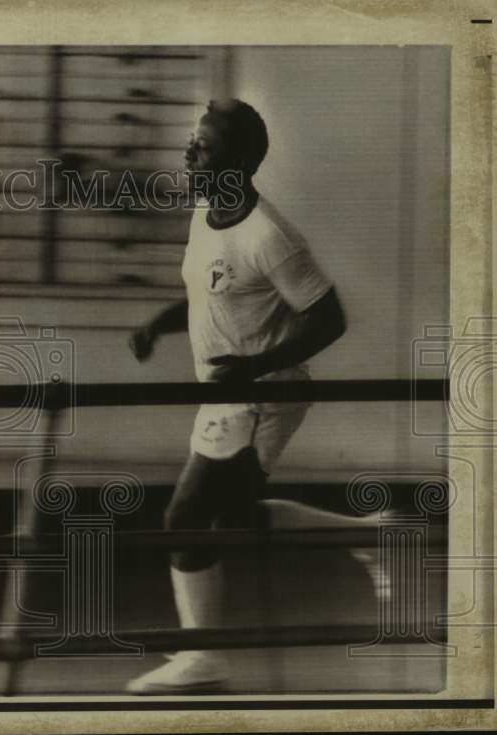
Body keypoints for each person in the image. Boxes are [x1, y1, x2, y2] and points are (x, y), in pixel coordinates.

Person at [125, 99, 384, 693]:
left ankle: (203, 655)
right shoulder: (206, 211)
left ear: (238, 163)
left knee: (184, 518)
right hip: (230, 392)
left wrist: (255, 367)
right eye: (191, 142)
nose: (189, 154)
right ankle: (369, 534)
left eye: (204, 147)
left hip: (263, 396)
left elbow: (329, 320)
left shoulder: (269, 235)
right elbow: (206, 297)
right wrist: (156, 326)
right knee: (235, 515)